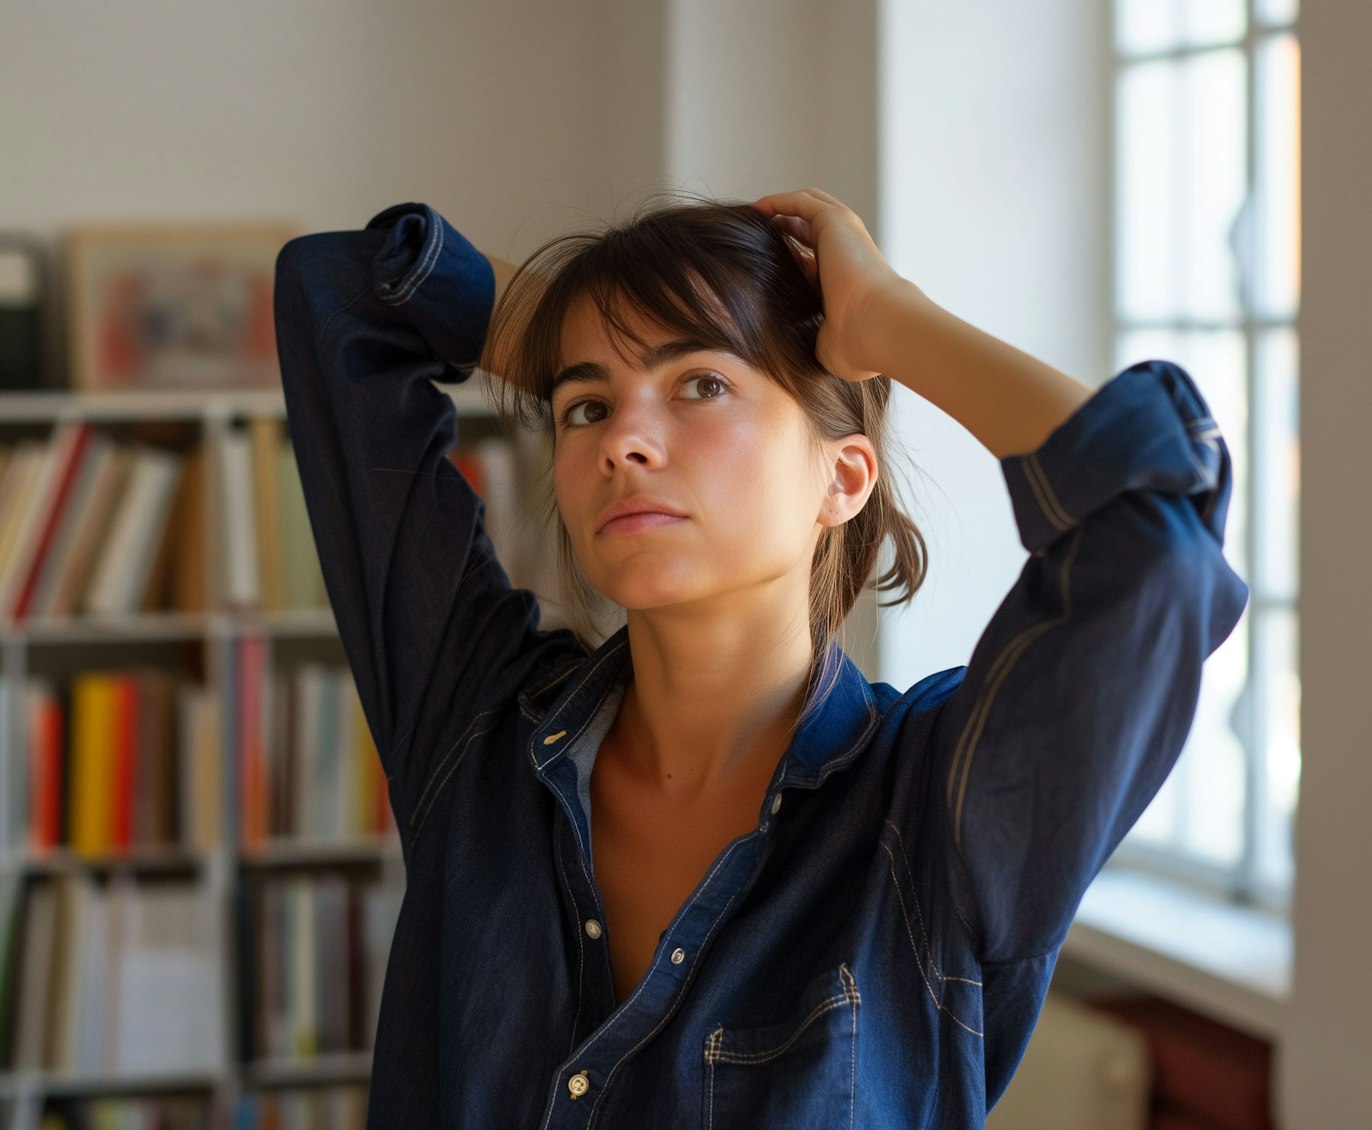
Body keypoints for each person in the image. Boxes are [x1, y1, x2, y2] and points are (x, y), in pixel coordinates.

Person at [272, 187, 1249, 1128]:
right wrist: (592, 329)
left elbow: (1156, 541)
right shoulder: (473, 725)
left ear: (844, 474)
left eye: (702, 383)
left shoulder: (942, 811)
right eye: (585, 408)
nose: (624, 443)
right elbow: (342, 289)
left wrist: (892, 321)